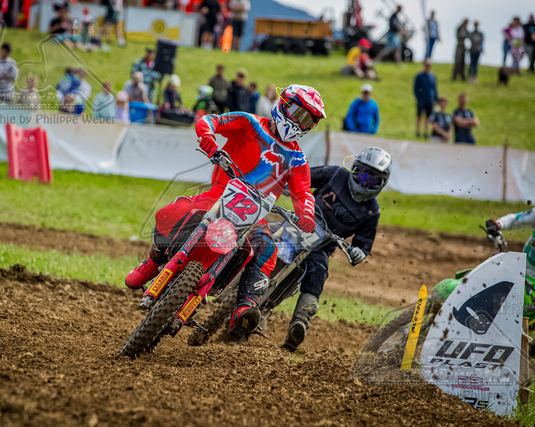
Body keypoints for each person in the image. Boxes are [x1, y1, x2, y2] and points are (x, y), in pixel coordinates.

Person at [125, 84, 327, 340]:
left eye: (308, 120)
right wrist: (208, 138)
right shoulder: (249, 122)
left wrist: (306, 214)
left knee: (267, 250)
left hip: (254, 214)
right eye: (298, 114)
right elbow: (212, 121)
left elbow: (303, 192)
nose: (300, 123)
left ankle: (244, 309)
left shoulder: (298, 160)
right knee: (172, 211)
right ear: (284, 105)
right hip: (219, 194)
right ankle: (153, 261)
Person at [283, 147, 391, 352]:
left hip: (321, 246)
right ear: (353, 169)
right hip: (296, 226)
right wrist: (290, 186)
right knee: (263, 242)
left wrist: (359, 252)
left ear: (381, 184)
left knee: (319, 272)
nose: (364, 183)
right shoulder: (336, 174)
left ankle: (299, 322)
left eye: (371, 180)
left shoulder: (372, 211)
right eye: (361, 175)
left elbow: (363, 243)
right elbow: (303, 177)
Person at [485, 190, 535, 305]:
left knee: (509, 301)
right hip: (519, 270)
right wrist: (498, 225)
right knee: (488, 278)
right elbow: (516, 219)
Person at [413, 58, 438, 139]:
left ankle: (426, 131)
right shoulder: (419, 76)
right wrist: (418, 97)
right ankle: (418, 131)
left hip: (429, 99)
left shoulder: (432, 76)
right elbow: (416, 88)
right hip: (421, 99)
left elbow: (434, 88)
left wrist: (435, 99)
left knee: (428, 116)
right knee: (419, 115)